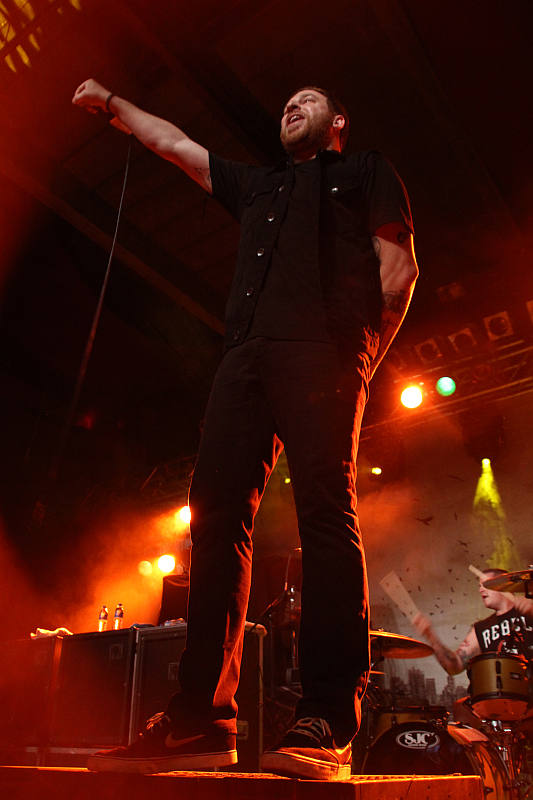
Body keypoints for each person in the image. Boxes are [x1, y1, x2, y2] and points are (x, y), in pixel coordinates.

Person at [72, 80, 418, 779]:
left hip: (325, 349)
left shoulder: (364, 170)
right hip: (243, 357)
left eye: (309, 99)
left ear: (338, 121)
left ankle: (327, 715)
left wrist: (359, 358)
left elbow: (399, 268)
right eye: (288, 101)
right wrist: (112, 103)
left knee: (325, 511)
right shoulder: (259, 186)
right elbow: (175, 145)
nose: (293, 105)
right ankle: (201, 719)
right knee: (214, 518)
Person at [412, 568, 533, 676]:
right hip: (504, 692)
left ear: (503, 585)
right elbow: (455, 666)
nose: (480, 590)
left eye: (485, 584)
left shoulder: (529, 612)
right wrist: (430, 636)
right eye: (479, 586)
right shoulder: (481, 628)